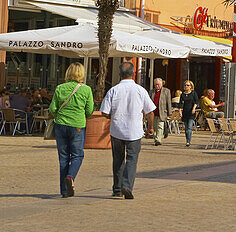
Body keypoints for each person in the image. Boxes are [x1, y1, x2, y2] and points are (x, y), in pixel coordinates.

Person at [100, 61, 156, 199]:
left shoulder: (113, 90)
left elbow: (104, 112)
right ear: (133, 74)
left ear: (119, 74)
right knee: (132, 159)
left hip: (117, 130)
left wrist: (113, 116)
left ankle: (117, 189)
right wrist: (150, 127)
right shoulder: (140, 90)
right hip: (134, 131)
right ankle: (127, 186)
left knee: (118, 159)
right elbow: (150, 112)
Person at [49, 62, 95, 198]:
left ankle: (64, 191)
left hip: (61, 125)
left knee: (63, 158)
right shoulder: (86, 90)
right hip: (77, 126)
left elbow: (52, 109)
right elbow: (89, 110)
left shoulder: (59, 88)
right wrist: (81, 115)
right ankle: (70, 177)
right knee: (77, 155)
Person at [177, 81, 199, 147]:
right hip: (185, 112)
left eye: (188, 85)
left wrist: (194, 108)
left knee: (189, 127)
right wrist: (180, 112)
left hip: (191, 112)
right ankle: (187, 138)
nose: (186, 86)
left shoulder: (193, 93)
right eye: (185, 85)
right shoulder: (182, 95)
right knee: (186, 128)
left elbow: (196, 102)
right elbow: (180, 104)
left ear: (191, 86)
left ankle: (188, 141)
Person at [151, 78, 173, 146]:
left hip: (162, 112)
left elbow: (168, 102)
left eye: (158, 84)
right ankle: (155, 138)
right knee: (154, 127)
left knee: (160, 126)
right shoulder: (152, 92)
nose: (157, 86)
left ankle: (158, 139)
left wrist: (169, 113)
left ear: (161, 84)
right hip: (153, 112)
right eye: (155, 84)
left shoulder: (166, 91)